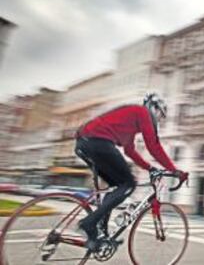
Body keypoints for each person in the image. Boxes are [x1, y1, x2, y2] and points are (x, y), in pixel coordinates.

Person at [74, 93, 187, 250]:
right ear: (153, 108)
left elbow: (130, 151)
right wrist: (175, 171)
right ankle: (89, 223)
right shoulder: (143, 113)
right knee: (129, 184)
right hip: (98, 142)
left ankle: (100, 234)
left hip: (84, 143)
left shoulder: (132, 123)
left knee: (116, 187)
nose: (159, 120)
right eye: (160, 115)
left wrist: (150, 168)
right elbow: (154, 146)